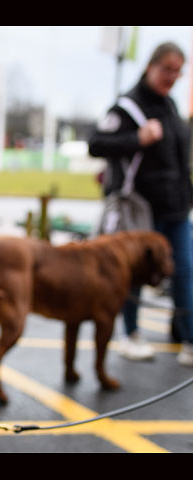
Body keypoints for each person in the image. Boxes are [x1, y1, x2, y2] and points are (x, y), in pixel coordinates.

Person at [88, 42, 193, 366]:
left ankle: (188, 337)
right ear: (150, 67)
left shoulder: (171, 107)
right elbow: (96, 144)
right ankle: (131, 334)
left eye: (178, 71)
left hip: (175, 209)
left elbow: (179, 161)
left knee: (185, 270)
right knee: (134, 274)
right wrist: (137, 139)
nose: (172, 77)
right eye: (167, 69)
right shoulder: (127, 107)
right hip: (140, 209)